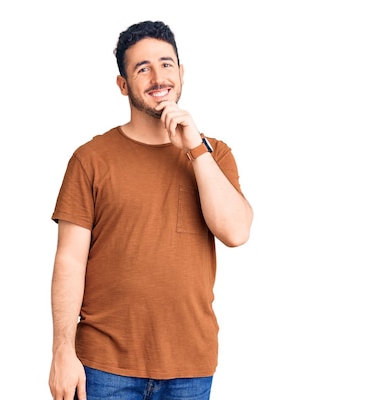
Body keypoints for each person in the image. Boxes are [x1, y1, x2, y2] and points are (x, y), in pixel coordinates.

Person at [48, 20, 253, 400]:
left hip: (190, 364)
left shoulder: (214, 154)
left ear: (181, 72)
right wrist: (62, 349)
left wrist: (195, 149)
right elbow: (69, 261)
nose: (158, 76)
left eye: (166, 64)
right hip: (103, 365)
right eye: (142, 68)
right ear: (123, 85)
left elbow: (236, 232)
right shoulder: (90, 159)